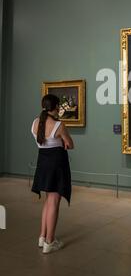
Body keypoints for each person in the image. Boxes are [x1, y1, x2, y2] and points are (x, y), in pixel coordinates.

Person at [31, 94, 74, 254]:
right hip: (56, 165)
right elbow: (70, 144)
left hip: (42, 164)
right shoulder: (59, 125)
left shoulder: (36, 123)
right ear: (56, 107)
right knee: (54, 202)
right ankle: (50, 242)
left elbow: (42, 141)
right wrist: (63, 142)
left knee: (48, 201)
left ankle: (42, 237)